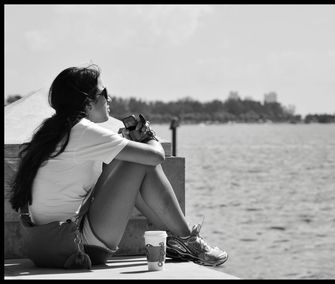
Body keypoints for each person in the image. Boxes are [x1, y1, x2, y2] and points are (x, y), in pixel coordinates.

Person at [9, 64, 228, 267]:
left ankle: (177, 240)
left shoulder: (57, 131)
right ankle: (189, 241)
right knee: (141, 162)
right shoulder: (83, 131)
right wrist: (148, 136)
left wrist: (125, 147)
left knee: (131, 160)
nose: (109, 98)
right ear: (87, 102)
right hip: (76, 245)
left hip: (46, 243)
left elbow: (99, 182)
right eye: (103, 93)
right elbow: (156, 156)